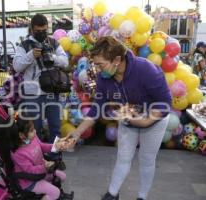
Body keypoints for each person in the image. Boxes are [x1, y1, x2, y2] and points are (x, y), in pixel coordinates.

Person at [64, 36, 172, 200]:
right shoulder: (103, 77)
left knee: (147, 160)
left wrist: (145, 121)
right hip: (127, 119)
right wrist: (77, 133)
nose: (98, 70)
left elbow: (165, 102)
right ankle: (112, 194)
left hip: (154, 119)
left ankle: (142, 196)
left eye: (101, 65)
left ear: (116, 59)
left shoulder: (145, 69)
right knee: (123, 157)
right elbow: (97, 109)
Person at [13, 14, 69, 143]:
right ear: (32, 29)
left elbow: (65, 62)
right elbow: (17, 67)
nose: (42, 33)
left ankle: (55, 156)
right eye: (38, 31)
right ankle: (37, 157)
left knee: (55, 127)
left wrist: (52, 57)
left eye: (44, 30)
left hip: (52, 90)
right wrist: (31, 55)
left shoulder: (53, 42)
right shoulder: (24, 45)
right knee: (34, 128)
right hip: (33, 93)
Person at [10, 117, 67, 200]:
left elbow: (42, 146)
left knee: (63, 176)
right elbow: (30, 171)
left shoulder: (32, 138)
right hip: (30, 181)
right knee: (56, 193)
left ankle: (45, 189)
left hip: (41, 172)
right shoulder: (18, 153)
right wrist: (45, 167)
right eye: (31, 130)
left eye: (34, 129)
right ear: (21, 135)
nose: (35, 131)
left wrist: (55, 146)